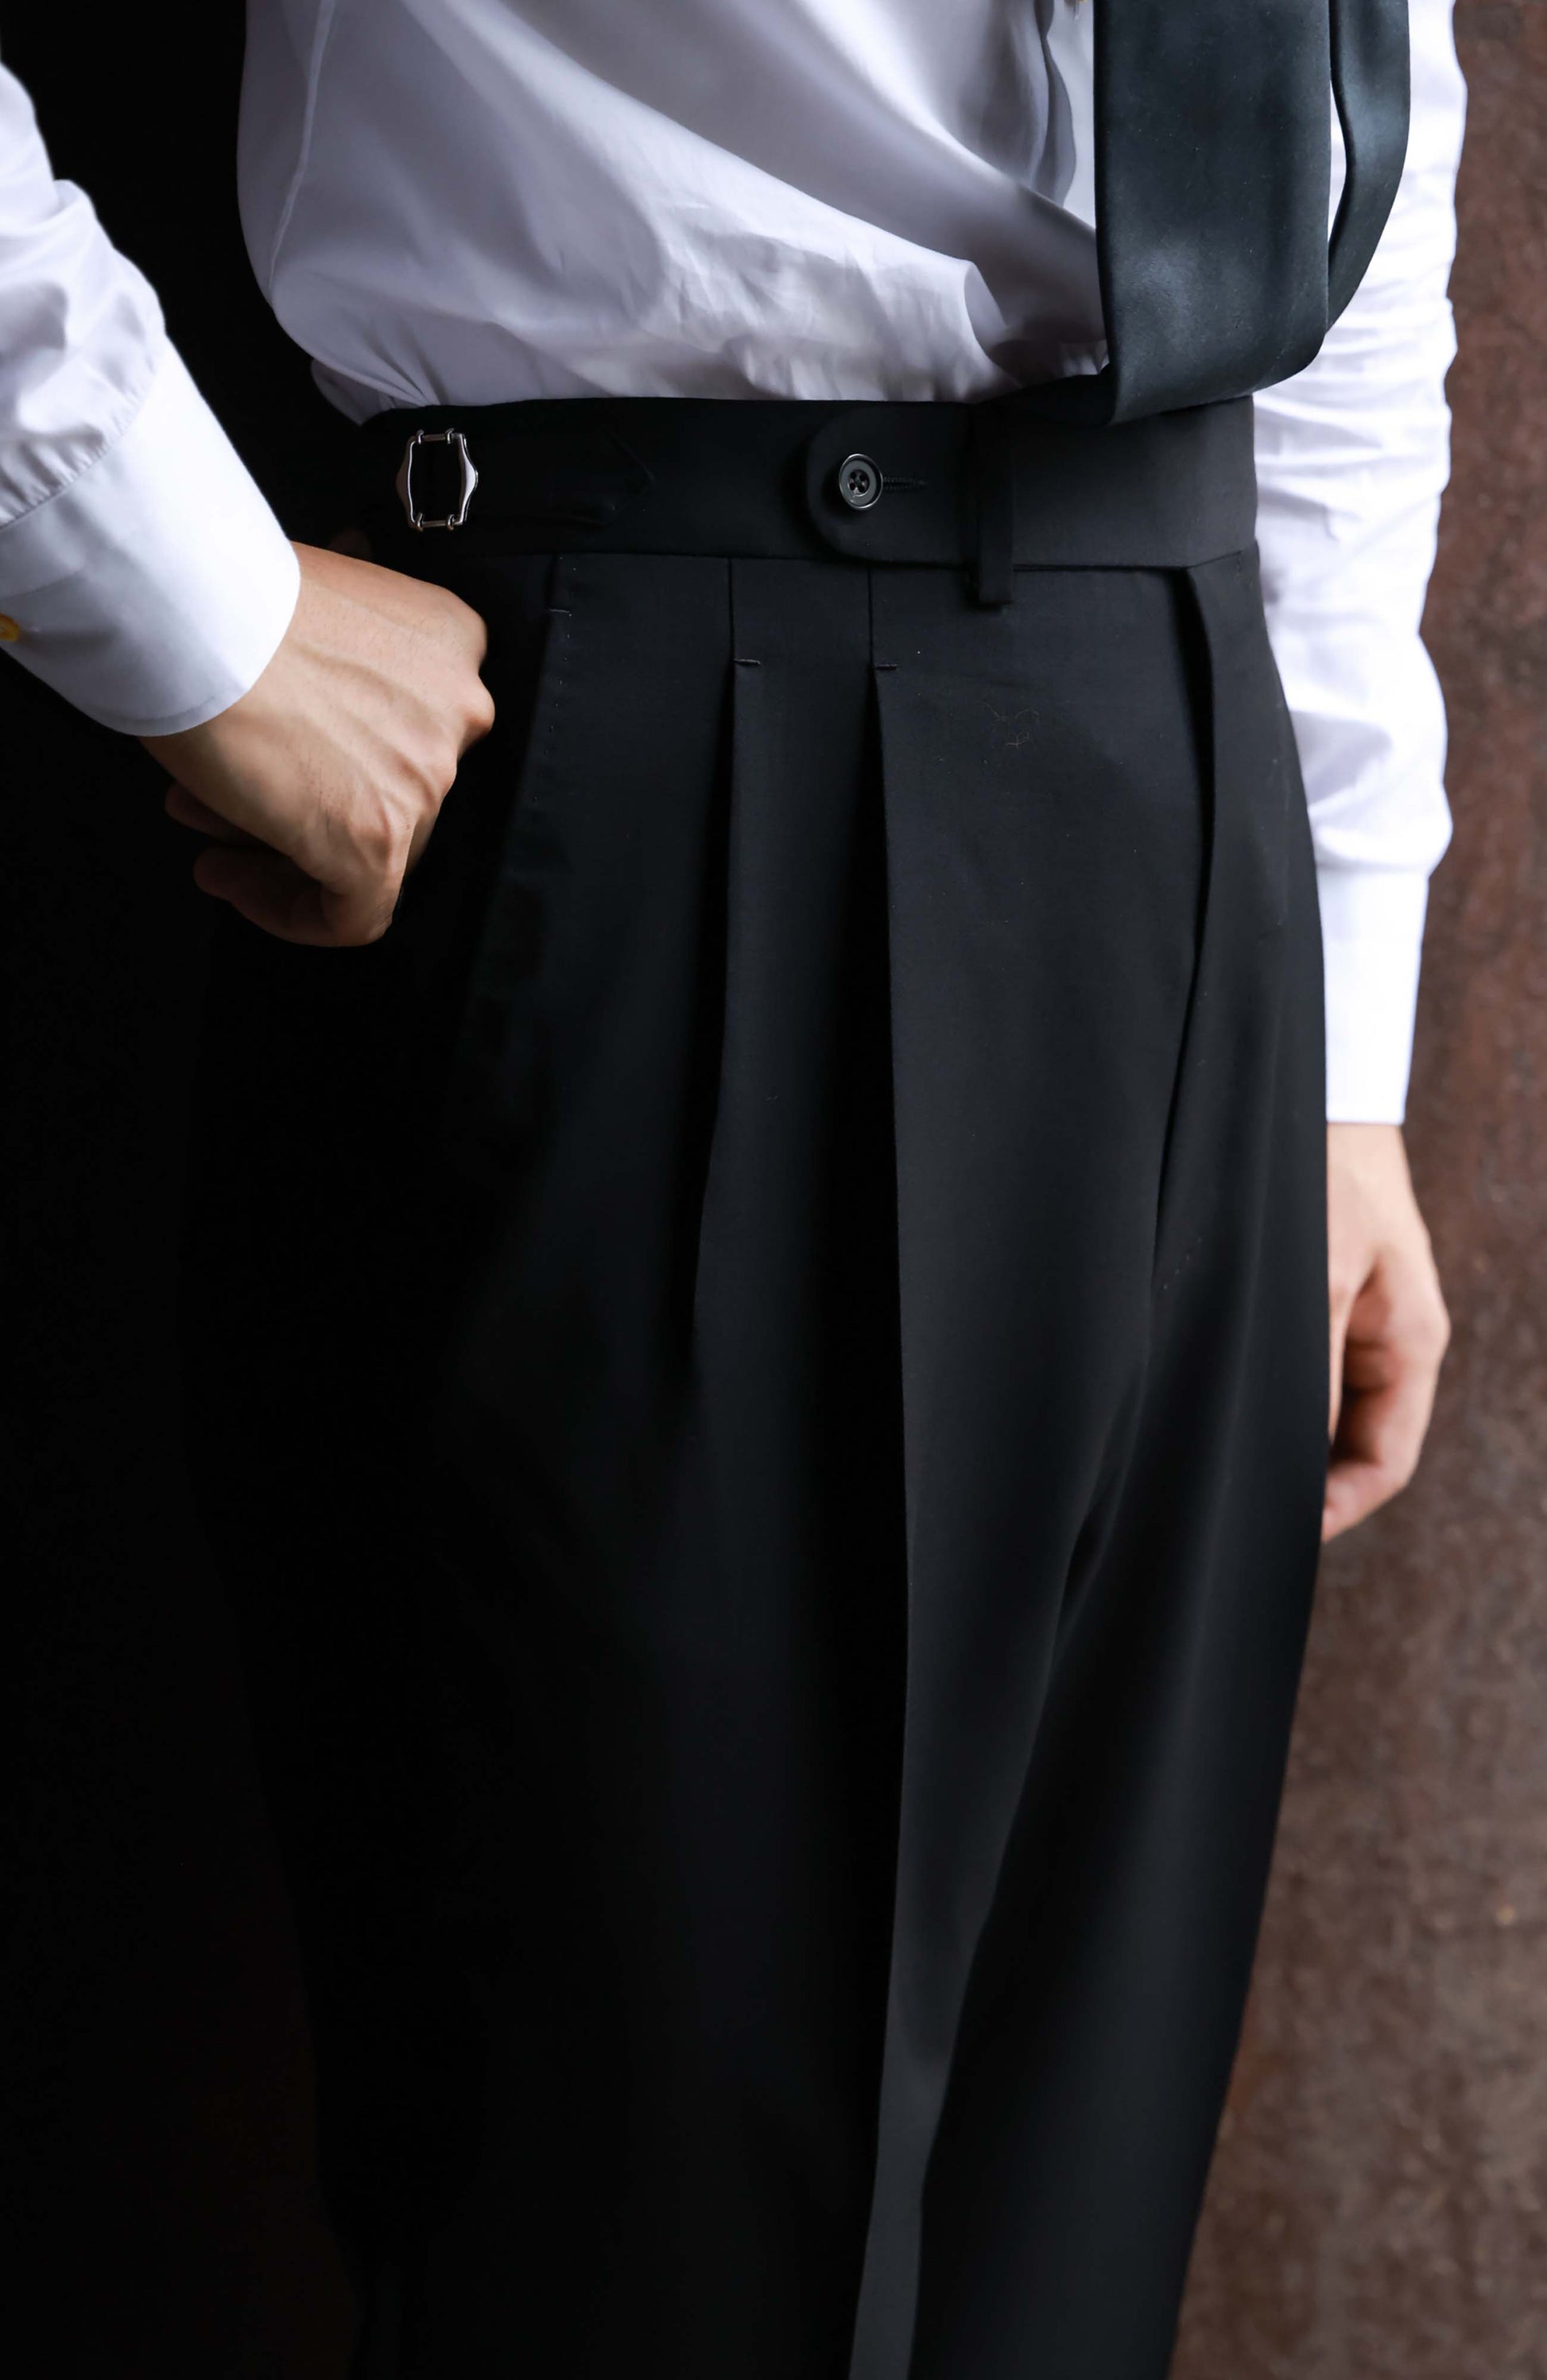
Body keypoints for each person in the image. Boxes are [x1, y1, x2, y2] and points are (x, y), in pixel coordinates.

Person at [0, 6, 1464, 2374]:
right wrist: (157, 565)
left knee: (1049, 2300)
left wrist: (1342, 1004)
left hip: (1199, 786)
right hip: (659, 743)